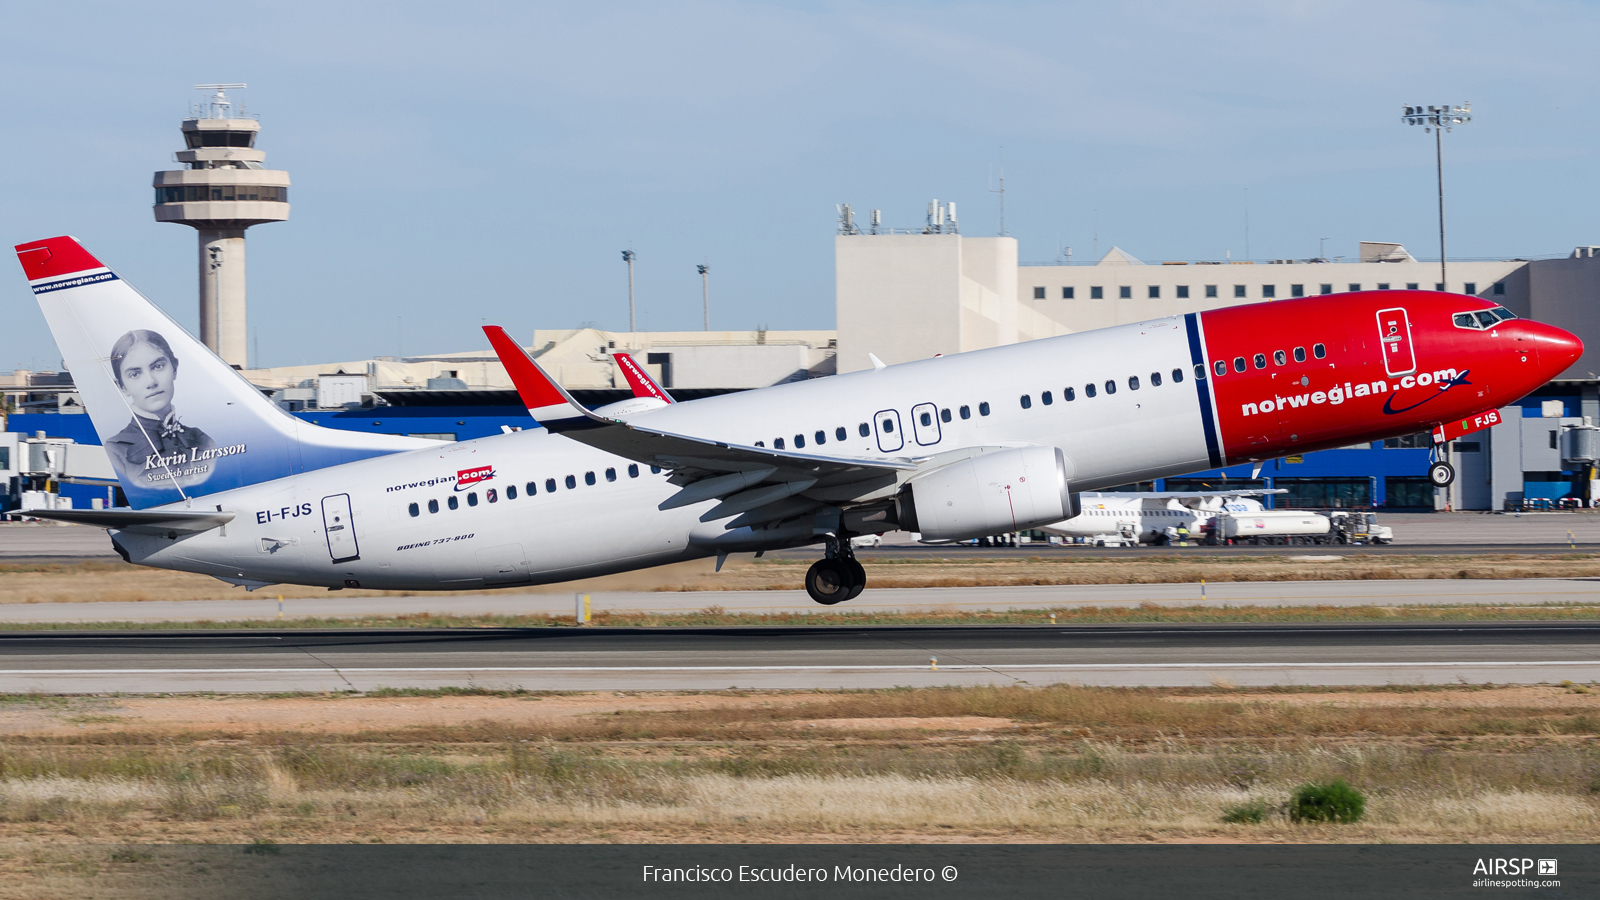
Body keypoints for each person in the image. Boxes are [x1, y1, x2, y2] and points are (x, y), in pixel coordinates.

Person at [104, 329, 215, 490]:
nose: (151, 382)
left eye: (158, 366)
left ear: (174, 368)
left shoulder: (203, 440)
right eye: (135, 374)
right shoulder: (116, 450)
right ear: (122, 386)